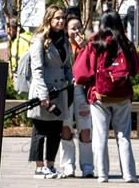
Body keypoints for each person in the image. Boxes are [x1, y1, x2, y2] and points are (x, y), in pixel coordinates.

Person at [73, 11, 139, 183]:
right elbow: (135, 68)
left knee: (100, 135)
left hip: (99, 95)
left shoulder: (95, 42)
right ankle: (129, 175)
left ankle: (103, 175)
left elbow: (81, 73)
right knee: (123, 136)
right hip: (122, 95)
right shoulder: (125, 43)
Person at [28, 5, 72, 179]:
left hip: (60, 90)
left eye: (62, 18)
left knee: (56, 129)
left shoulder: (65, 40)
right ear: (49, 20)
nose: (61, 21)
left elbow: (67, 65)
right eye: (57, 18)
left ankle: (51, 165)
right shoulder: (39, 39)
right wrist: (43, 95)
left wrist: (71, 79)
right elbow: (37, 69)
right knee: (40, 129)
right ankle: (39, 168)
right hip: (43, 90)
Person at [60, 15, 94, 178]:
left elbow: (93, 65)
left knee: (85, 129)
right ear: (66, 31)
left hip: (82, 89)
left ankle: (87, 166)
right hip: (66, 89)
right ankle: (68, 166)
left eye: (79, 27)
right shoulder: (63, 45)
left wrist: (85, 47)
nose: (77, 31)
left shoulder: (88, 46)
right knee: (66, 129)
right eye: (73, 28)